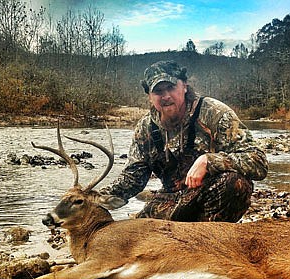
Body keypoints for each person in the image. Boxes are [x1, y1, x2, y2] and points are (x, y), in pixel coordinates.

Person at [98, 60, 268, 222]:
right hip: (169, 200)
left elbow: (258, 162)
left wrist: (209, 161)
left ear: (184, 86)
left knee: (236, 183)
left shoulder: (215, 113)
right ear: (150, 96)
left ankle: (206, 242)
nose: (165, 96)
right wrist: (94, 197)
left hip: (207, 196)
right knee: (133, 240)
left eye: (171, 88)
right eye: (158, 92)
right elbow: (133, 177)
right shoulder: (145, 127)